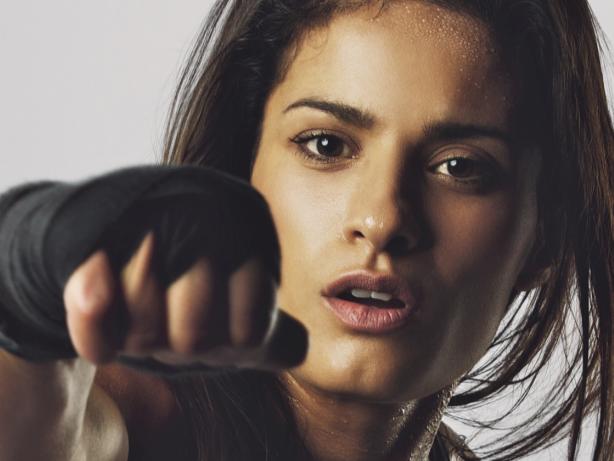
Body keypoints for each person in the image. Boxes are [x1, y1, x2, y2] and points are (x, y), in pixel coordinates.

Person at [0, 0, 612, 460]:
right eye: (326, 144)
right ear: (243, 173)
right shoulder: (132, 421)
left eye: (459, 167)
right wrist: (28, 285)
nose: (381, 220)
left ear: (546, 237)